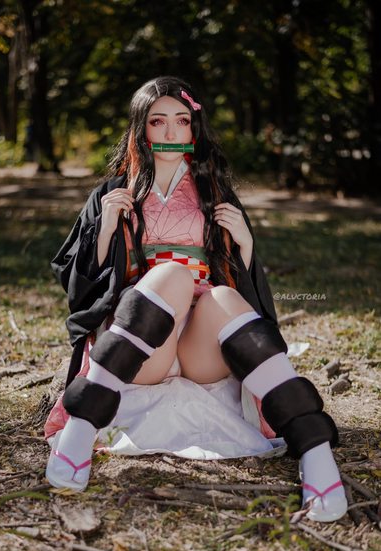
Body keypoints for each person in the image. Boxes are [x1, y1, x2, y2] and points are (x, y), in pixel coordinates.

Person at [45, 76, 347, 523]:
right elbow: (82, 291)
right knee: (172, 275)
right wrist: (106, 230)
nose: (170, 131)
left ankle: (315, 450)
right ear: (140, 129)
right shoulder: (112, 194)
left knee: (222, 294)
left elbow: (247, 290)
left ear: (194, 128)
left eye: (181, 121)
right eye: (158, 121)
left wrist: (245, 244)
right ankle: (83, 422)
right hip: (143, 347)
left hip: (200, 350)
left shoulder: (214, 193)